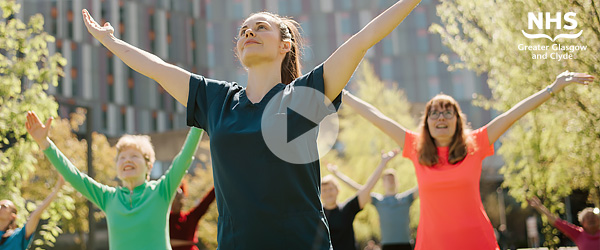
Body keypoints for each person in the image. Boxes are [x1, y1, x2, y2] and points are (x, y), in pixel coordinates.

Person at [80, 0, 422, 248]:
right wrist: (112, 41)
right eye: (244, 30)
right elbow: (157, 68)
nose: (249, 32)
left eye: (261, 27)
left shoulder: (305, 94)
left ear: (284, 45)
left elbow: (363, 39)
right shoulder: (217, 100)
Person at [341, 70, 595, 250]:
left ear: (457, 120)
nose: (441, 117)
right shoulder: (415, 147)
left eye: (447, 111)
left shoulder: (476, 143)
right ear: (426, 123)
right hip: (432, 245)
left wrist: (553, 87)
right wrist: (345, 96)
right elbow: (377, 117)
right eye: (434, 113)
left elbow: (511, 115)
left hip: (478, 242)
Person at [25, 111, 202, 249]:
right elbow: (74, 176)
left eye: (134, 156)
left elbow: (184, 157)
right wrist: (45, 144)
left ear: (149, 166)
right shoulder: (108, 197)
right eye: (122, 158)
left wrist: (199, 120)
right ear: (117, 167)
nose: (127, 160)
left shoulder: (162, 190)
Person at [322, 150, 399, 250]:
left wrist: (383, 164)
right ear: (320, 194)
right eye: (324, 190)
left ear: (338, 190)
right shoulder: (317, 213)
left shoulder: (346, 209)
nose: (328, 193)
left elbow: (367, 189)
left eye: (331, 189)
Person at [329, 165, 417, 250]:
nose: (391, 181)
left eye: (392, 178)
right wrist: (336, 173)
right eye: (388, 179)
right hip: (387, 246)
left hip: (405, 245)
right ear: (383, 183)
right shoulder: (378, 201)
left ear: (397, 182)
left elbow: (423, 186)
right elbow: (359, 189)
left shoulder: (407, 198)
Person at [0, 177, 64, 250]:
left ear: (12, 216)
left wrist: (56, 190)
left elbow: (35, 215)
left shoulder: (18, 235)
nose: (0, 207)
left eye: (4, 206)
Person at [528, 196, 600, 250]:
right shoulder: (578, 234)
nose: (591, 219)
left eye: (593, 217)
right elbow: (556, 222)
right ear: (582, 222)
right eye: (588, 217)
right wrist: (540, 207)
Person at [169, 182, 216, 250]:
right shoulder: (164, 220)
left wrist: (220, 181)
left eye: (180, 198)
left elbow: (208, 200)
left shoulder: (191, 217)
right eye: (175, 198)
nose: (178, 201)